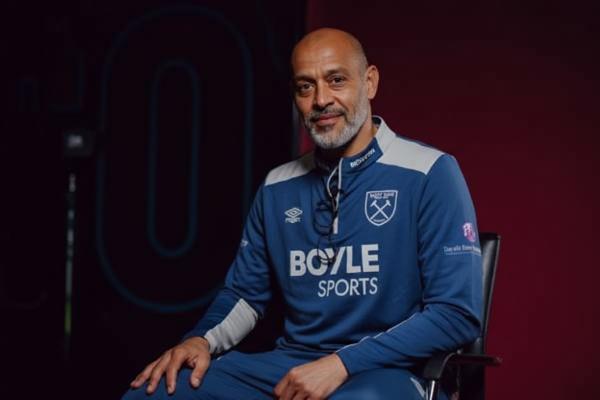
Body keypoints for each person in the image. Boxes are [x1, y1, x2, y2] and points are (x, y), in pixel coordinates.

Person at [122, 27, 482, 400]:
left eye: (336, 80)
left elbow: (456, 315)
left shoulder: (429, 171)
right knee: (154, 392)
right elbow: (246, 295)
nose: (321, 100)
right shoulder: (277, 186)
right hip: (292, 365)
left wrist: (342, 364)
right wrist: (201, 340)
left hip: (390, 370)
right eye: (305, 87)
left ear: (369, 82)